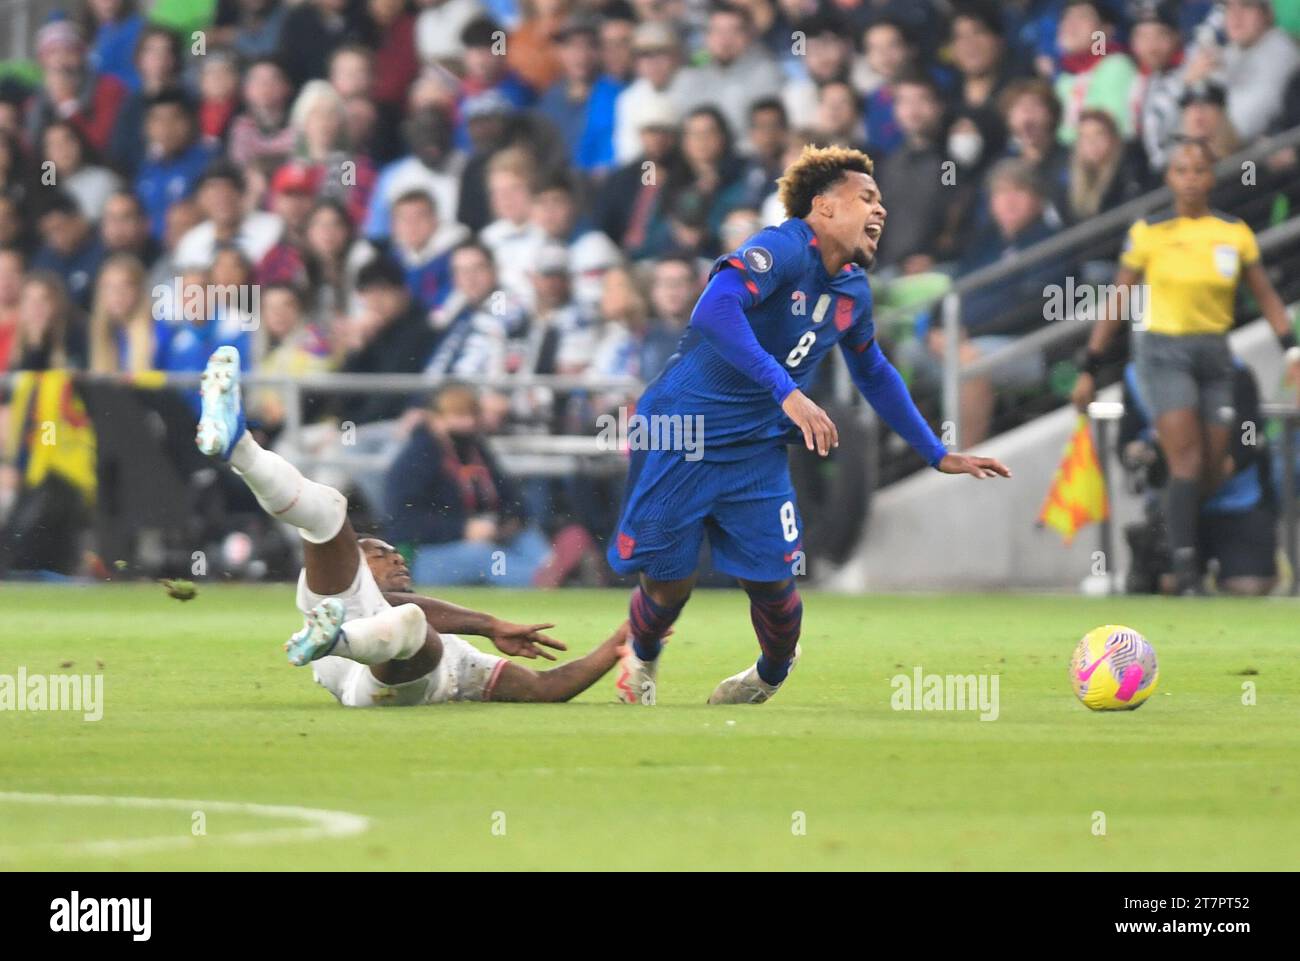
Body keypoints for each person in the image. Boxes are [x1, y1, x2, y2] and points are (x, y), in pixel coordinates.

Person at [606, 145, 1009, 706]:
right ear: (822, 208)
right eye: (867, 198)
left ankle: (767, 677)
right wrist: (787, 392)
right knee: (670, 582)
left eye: (882, 202)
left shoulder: (852, 290)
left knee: (775, 585)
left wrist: (936, 452)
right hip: (683, 431)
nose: (880, 211)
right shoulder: (782, 247)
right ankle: (642, 659)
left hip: (754, 448)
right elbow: (714, 310)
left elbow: (874, 372)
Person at [193, 345, 629, 706]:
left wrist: (623, 638)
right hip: (361, 630)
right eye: (378, 551)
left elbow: (545, 687)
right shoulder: (369, 585)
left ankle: (334, 639)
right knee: (331, 511)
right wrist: (487, 622)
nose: (394, 555)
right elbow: (394, 569)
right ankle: (240, 448)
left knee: (413, 622)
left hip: (372, 687)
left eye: (392, 551)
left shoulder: (459, 654)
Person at [1072, 139, 1300, 595]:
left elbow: (1266, 295)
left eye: (1200, 169)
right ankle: (1188, 570)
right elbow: (1119, 299)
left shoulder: (1234, 233)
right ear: (1169, 178)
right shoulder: (1149, 232)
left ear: (1212, 177)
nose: (1191, 178)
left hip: (1214, 350)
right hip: (1163, 349)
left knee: (1215, 462)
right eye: (1182, 170)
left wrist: (1291, 350)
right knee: (1188, 457)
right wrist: (1090, 366)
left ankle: (1160, 529)